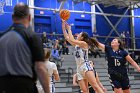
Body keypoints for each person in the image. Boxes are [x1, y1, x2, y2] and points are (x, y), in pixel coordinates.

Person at [0, 3, 50, 93]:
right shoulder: (32, 36)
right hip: (24, 86)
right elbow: (40, 68)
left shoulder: (1, 36)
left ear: (12, 17)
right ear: (30, 17)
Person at [62, 21, 104, 93]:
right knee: (84, 91)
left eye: (79, 34)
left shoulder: (84, 43)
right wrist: (63, 26)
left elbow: (72, 39)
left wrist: (69, 29)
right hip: (79, 68)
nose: (77, 35)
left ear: (82, 38)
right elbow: (67, 37)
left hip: (85, 66)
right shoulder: (76, 45)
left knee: (95, 86)